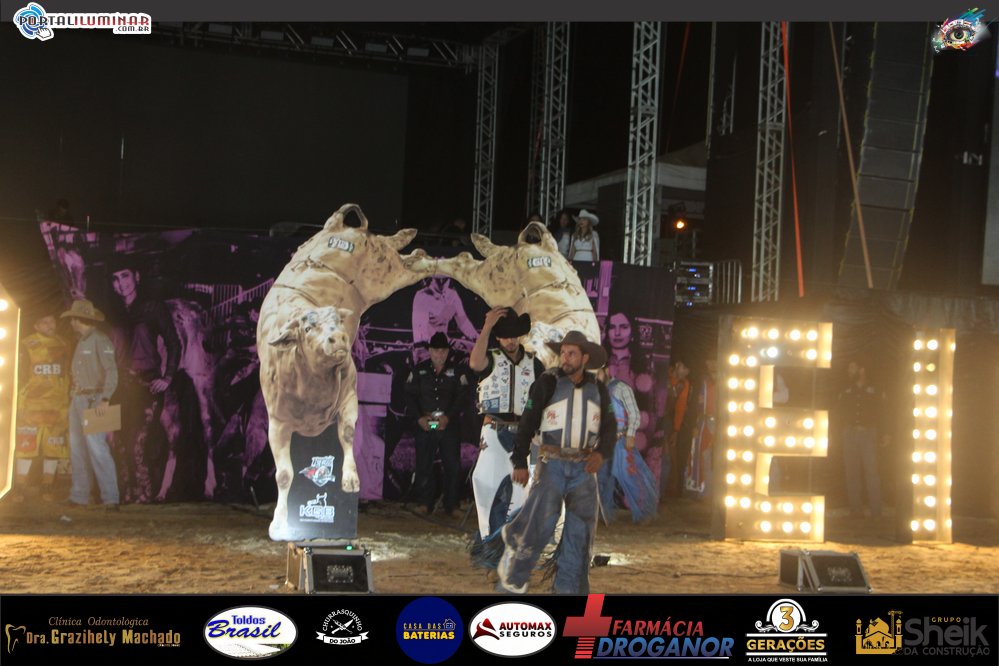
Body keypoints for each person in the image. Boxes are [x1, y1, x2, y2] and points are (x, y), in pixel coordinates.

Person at [496, 330, 616, 594]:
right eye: (563, 353)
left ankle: (568, 589)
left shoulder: (598, 389)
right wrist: (519, 460)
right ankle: (514, 576)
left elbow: (610, 427)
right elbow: (528, 421)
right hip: (552, 464)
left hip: (584, 467)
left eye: (571, 353)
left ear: (585, 358)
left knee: (580, 533)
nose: (565, 358)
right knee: (540, 525)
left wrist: (601, 453)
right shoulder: (547, 382)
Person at [468, 307, 545, 565]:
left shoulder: (534, 364)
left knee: (520, 492)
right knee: (487, 485)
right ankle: (489, 543)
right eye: (505, 336)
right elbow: (474, 364)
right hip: (494, 428)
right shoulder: (490, 358)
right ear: (498, 337)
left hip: (523, 433)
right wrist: (487, 327)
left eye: (514, 336)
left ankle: (510, 546)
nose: (510, 341)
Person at [110, 259, 183, 503]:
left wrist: (168, 377)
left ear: (136, 277)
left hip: (146, 385)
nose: (121, 283)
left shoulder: (152, 308)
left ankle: (146, 495)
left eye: (125, 276)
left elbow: (174, 343)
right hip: (119, 386)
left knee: (137, 442)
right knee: (117, 441)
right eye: (115, 279)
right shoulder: (115, 314)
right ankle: (127, 493)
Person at [403, 332, 470, 518]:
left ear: (447, 352)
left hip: (448, 424)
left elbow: (462, 397)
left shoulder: (458, 371)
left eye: (443, 351)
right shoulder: (419, 370)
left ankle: (452, 505)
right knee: (424, 463)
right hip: (426, 423)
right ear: (430, 351)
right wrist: (419, 418)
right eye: (436, 350)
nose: (439, 354)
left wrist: (448, 417)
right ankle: (424, 503)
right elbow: (408, 396)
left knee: (452, 465)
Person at [61, 299, 119, 509]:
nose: (71, 323)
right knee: (78, 448)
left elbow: (111, 370)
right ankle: (80, 495)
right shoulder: (83, 340)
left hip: (95, 399)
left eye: (73, 319)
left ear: (79, 319)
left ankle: (111, 497)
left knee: (97, 448)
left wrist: (105, 398)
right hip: (79, 398)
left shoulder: (100, 340)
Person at [13, 314, 71, 502]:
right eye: (45, 322)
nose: (50, 325)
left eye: (52, 321)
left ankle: (47, 486)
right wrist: (19, 402)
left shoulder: (64, 344)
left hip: (57, 405)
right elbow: (20, 375)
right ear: (36, 326)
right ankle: (20, 487)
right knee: (25, 445)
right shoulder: (26, 344)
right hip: (32, 405)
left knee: (53, 447)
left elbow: (68, 374)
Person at [839, 360, 887, 519]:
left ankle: (876, 510)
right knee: (851, 472)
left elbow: (883, 412)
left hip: (868, 433)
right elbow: (839, 412)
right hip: (849, 433)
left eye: (853, 367)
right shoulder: (846, 390)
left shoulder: (874, 390)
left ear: (862, 369)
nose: (849, 371)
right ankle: (855, 509)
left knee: (871, 471)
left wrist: (885, 433)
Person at [594, 365, 639, 522]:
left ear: (606, 371)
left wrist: (631, 434)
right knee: (603, 477)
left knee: (628, 476)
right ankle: (604, 513)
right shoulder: (594, 389)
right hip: (603, 440)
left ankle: (643, 511)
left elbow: (634, 413)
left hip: (621, 440)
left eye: (598, 372)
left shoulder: (621, 388)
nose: (595, 376)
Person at [411, 276, 478, 353]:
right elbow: (421, 331)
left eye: (445, 280)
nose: (441, 282)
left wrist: (477, 337)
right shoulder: (422, 296)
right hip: (425, 347)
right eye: (438, 280)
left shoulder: (452, 296)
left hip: (444, 343)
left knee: (475, 349)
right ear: (432, 279)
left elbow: (463, 322)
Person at [662, 358, 693, 500]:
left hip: (666, 420)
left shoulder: (683, 384)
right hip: (650, 418)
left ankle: (661, 492)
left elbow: (680, 407)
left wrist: (675, 430)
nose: (686, 373)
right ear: (677, 364)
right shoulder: (662, 374)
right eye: (684, 368)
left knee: (667, 455)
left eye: (688, 371)